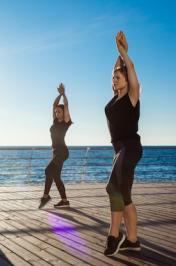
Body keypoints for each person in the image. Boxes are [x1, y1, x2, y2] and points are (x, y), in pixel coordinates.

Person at [104, 31, 143, 256]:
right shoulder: (115, 98)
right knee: (123, 194)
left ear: (128, 80)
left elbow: (131, 69)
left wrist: (124, 53)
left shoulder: (132, 96)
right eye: (113, 77)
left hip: (130, 147)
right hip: (120, 151)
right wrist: (118, 53)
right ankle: (132, 239)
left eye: (119, 76)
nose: (114, 78)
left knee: (113, 187)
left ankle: (114, 234)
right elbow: (117, 70)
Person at [39, 83, 72, 209]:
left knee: (48, 171)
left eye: (59, 111)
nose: (57, 113)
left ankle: (45, 196)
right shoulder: (55, 121)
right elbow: (54, 105)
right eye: (56, 112)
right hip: (56, 152)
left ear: (64, 113)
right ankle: (64, 200)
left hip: (62, 152)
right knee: (56, 176)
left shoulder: (66, 122)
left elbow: (67, 105)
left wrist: (64, 94)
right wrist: (59, 94)